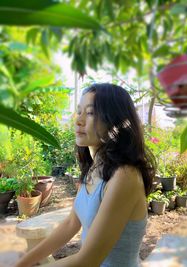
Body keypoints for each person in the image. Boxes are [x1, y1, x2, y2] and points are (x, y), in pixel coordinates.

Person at [15, 83, 155, 267]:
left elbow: (88, 259)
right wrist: (22, 263)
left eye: (90, 113)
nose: (78, 120)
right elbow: (71, 223)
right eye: (79, 111)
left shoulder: (125, 176)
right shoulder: (95, 167)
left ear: (114, 121)